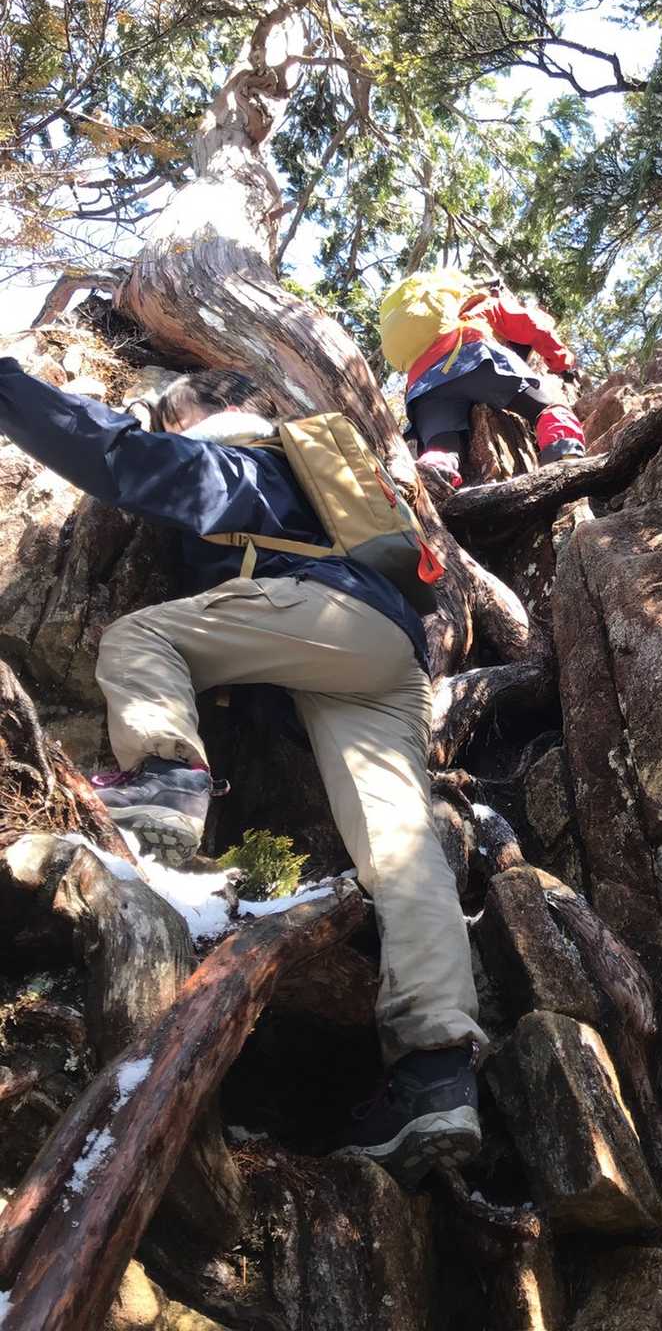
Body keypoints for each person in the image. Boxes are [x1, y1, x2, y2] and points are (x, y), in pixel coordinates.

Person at [0, 356, 485, 1184]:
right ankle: (435, 1074)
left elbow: (115, 457)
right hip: (390, 657)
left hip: (319, 616)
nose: (165, 426)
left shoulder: (243, 458)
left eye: (171, 415)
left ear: (208, 413)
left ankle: (164, 786)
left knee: (142, 638)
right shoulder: (318, 488)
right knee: (401, 852)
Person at [403, 283, 587, 488]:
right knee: (548, 407)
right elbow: (533, 325)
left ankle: (435, 471)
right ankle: (565, 456)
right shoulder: (479, 306)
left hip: (423, 389)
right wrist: (562, 361)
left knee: (442, 448)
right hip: (473, 359)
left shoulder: (424, 341)